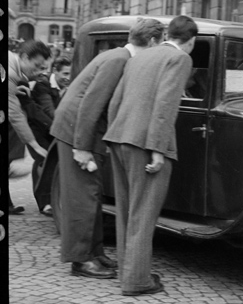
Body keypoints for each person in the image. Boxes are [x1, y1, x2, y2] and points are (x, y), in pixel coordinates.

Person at [50, 18, 165, 279]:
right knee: (83, 196)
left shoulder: (119, 57)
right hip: (76, 131)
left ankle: (94, 252)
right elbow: (91, 104)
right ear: (152, 41)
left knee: (93, 192)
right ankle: (80, 261)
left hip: (82, 130)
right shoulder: (119, 60)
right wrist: (81, 147)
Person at [103, 15, 197, 297]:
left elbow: (116, 100)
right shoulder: (180, 59)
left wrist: (113, 134)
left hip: (119, 136)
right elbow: (166, 104)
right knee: (143, 213)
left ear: (169, 34)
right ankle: (137, 281)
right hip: (145, 143)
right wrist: (158, 149)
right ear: (191, 41)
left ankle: (127, 272)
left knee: (126, 210)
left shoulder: (139, 56)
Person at [7, 40, 52, 214]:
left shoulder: (12, 65)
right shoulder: (11, 72)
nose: (38, 70)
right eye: (36, 65)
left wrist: (12, 90)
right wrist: (33, 144)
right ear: (25, 57)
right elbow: (15, 114)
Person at [24, 56, 72, 214]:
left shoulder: (69, 85)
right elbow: (48, 111)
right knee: (43, 160)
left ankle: (52, 199)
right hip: (37, 130)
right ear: (55, 71)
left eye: (70, 74)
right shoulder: (43, 85)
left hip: (53, 130)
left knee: (52, 162)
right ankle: (44, 203)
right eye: (64, 73)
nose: (68, 77)